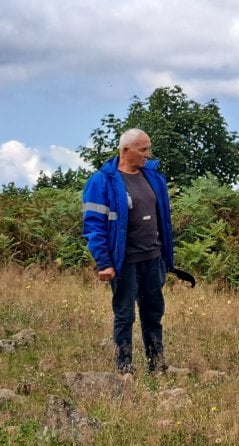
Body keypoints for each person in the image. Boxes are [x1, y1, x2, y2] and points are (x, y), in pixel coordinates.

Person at [81, 128, 176, 375]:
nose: (148, 154)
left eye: (148, 148)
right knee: (125, 317)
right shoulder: (102, 182)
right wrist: (104, 263)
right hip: (125, 263)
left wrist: (166, 257)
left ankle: (157, 366)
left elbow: (162, 219)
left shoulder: (154, 177)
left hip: (152, 258)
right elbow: (93, 226)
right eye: (143, 149)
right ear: (125, 151)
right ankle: (125, 369)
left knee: (153, 314)